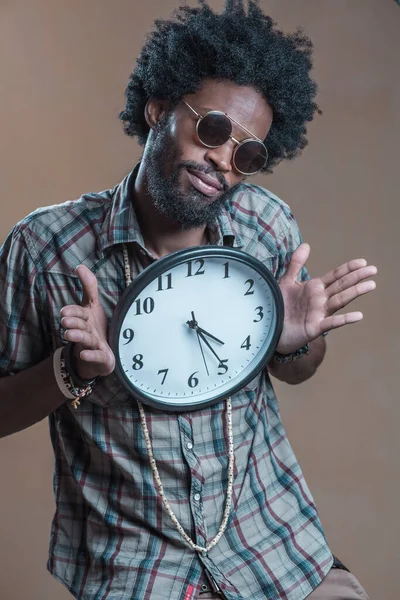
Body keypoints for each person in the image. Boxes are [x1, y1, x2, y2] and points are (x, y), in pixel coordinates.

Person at [0, 2, 376, 599]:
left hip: (272, 548)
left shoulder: (267, 226)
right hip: (135, 571)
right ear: (158, 108)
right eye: (214, 129)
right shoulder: (45, 247)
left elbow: (301, 371)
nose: (223, 163)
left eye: (247, 154)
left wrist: (296, 342)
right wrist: (71, 369)